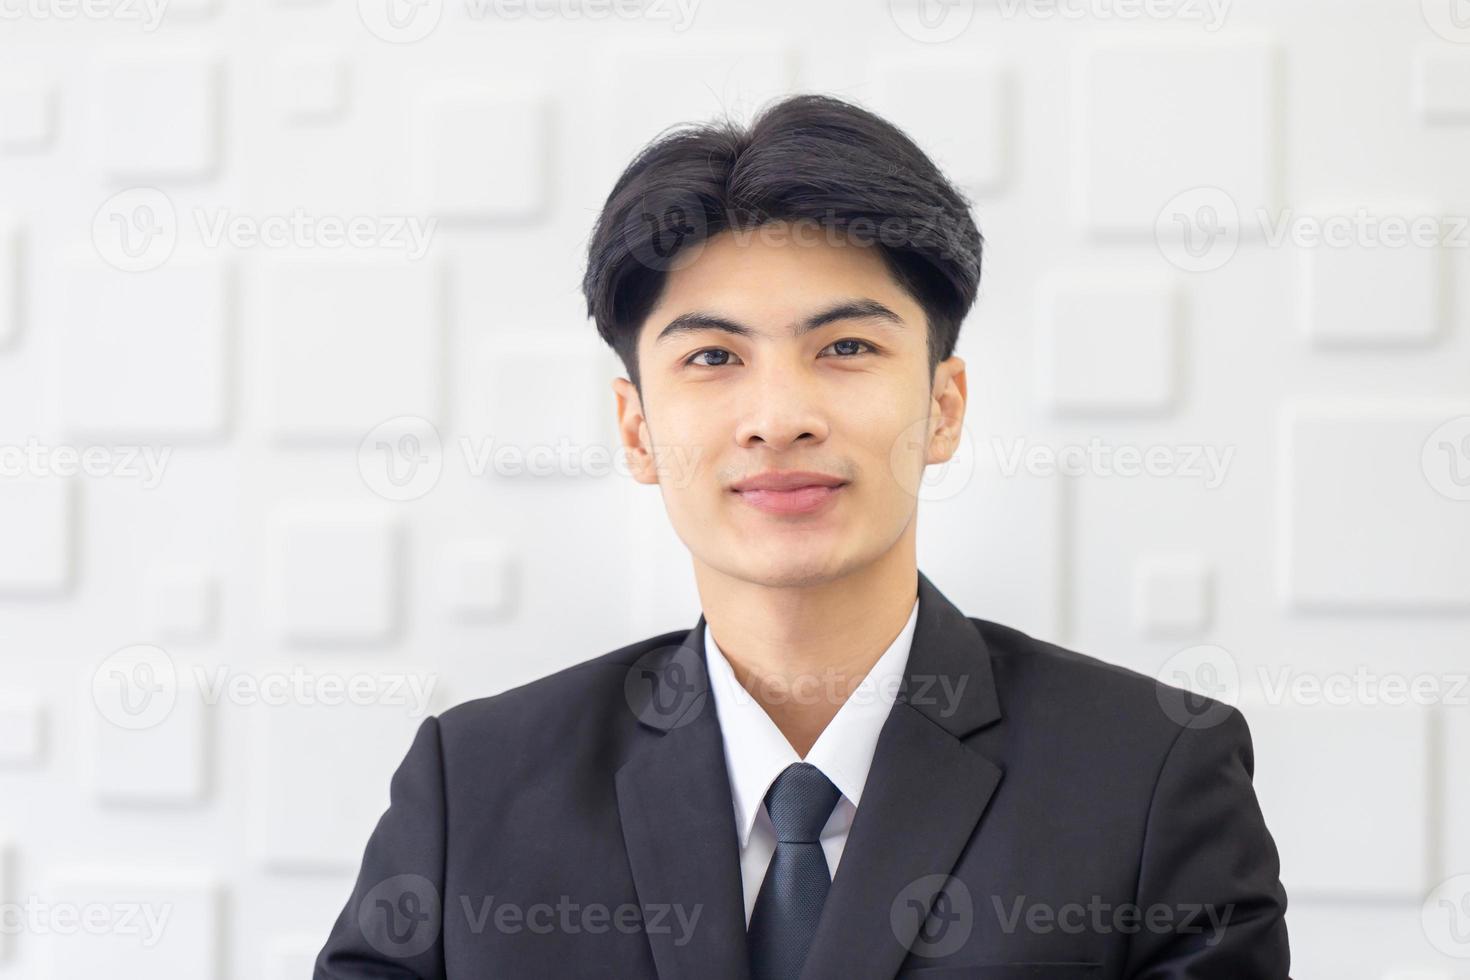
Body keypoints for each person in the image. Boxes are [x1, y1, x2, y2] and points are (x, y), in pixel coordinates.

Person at [315, 93, 1290, 979]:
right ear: (636, 427)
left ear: (944, 406)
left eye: (848, 347)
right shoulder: (474, 786)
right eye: (712, 355)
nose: (778, 415)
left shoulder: (1151, 780)